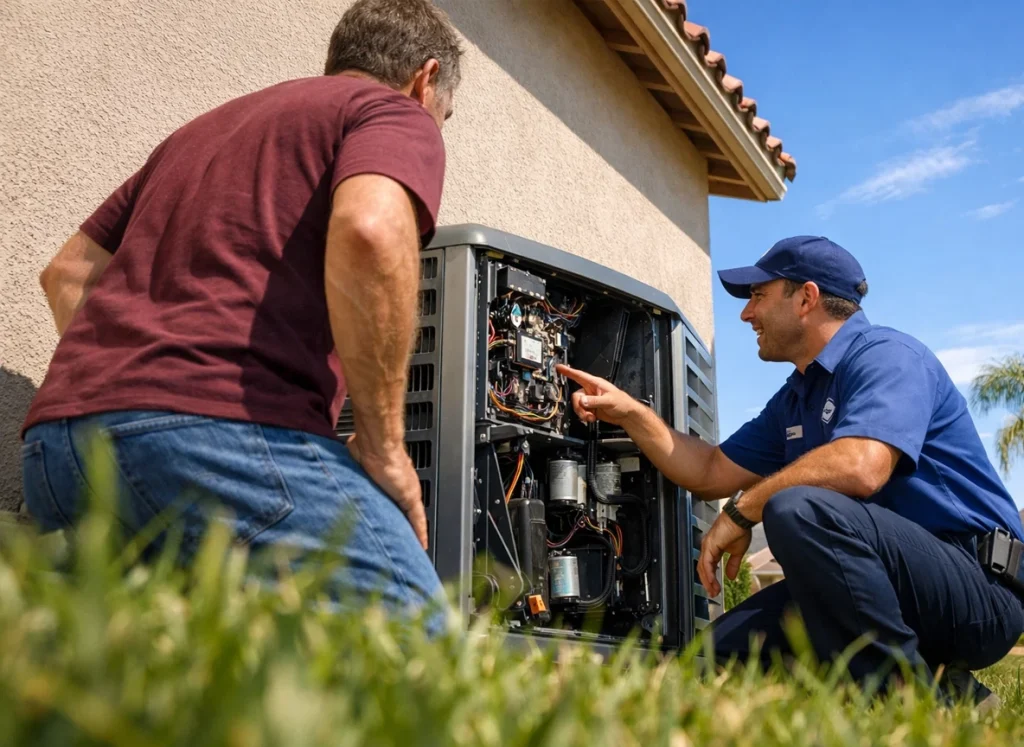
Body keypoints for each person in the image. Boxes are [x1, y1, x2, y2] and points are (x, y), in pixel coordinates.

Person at [20, 0, 463, 631]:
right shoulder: (391, 111)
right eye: (443, 116)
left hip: (59, 451)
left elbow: (67, 272)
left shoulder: (203, 130)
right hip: (217, 440)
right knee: (418, 646)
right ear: (425, 77)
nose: (434, 129)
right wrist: (386, 447)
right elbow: (370, 229)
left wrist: (131, 391)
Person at [557, 235, 1024, 706]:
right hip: (889, 590)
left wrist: (742, 513)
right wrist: (631, 413)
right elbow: (709, 468)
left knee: (797, 507)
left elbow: (862, 467)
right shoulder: (796, 398)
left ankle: (912, 703)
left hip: (979, 592)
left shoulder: (889, 356)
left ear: (806, 298)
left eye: (758, 296)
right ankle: (957, 694)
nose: (746, 314)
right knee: (719, 658)